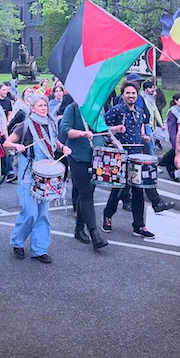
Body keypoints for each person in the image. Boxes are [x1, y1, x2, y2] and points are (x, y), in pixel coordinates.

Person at [4, 94, 71, 263]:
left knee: (43, 214)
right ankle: (17, 241)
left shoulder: (50, 124)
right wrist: (17, 146)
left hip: (46, 173)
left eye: (45, 105)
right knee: (30, 213)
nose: (43, 108)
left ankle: (39, 249)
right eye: (40, 105)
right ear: (32, 108)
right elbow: (7, 143)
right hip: (28, 173)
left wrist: (63, 148)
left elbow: (55, 143)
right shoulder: (25, 125)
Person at [101, 82, 173, 238]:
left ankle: (139, 226)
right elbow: (101, 127)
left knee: (138, 191)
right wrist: (115, 130)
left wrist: (144, 136)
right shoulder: (116, 110)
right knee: (118, 190)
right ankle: (107, 215)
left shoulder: (140, 111)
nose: (131, 96)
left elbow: (139, 127)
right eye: (128, 93)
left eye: (133, 93)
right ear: (123, 95)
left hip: (137, 156)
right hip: (121, 156)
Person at [59, 102, 124, 250]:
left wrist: (114, 132)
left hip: (96, 156)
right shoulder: (72, 108)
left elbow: (101, 128)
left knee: (87, 193)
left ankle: (79, 229)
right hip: (77, 156)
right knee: (86, 194)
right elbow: (65, 130)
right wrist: (81, 133)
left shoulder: (96, 108)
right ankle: (94, 234)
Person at [141, 80, 164, 156]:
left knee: (150, 144)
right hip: (146, 124)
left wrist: (161, 124)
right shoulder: (143, 98)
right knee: (151, 144)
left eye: (153, 88)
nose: (153, 89)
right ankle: (151, 159)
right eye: (151, 88)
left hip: (150, 124)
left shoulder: (151, 99)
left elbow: (155, 111)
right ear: (146, 89)